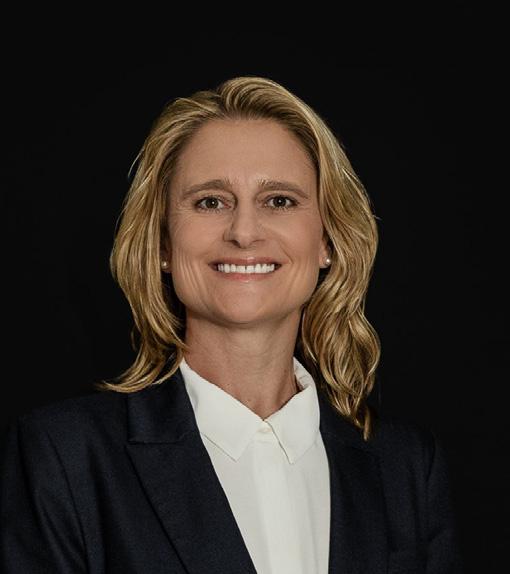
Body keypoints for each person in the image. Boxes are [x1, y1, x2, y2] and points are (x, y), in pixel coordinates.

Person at [0, 76, 463, 573]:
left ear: (327, 241)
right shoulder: (66, 457)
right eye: (210, 201)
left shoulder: (405, 468)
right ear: (163, 243)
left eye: (279, 201)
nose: (244, 232)